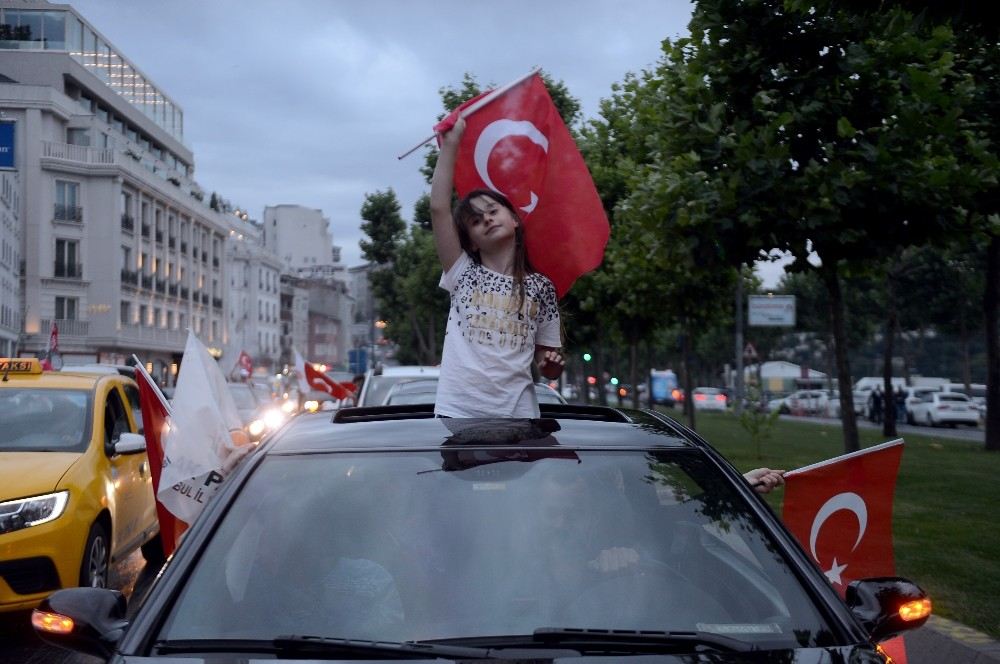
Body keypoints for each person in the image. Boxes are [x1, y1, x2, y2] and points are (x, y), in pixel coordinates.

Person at [430, 116, 564, 417]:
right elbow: (439, 209)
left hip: (520, 417)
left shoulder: (541, 287)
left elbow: (548, 365)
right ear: (472, 242)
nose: (487, 219)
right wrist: (451, 144)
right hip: (458, 416)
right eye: (476, 221)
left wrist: (551, 366)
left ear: (515, 220)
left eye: (493, 211)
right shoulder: (462, 273)